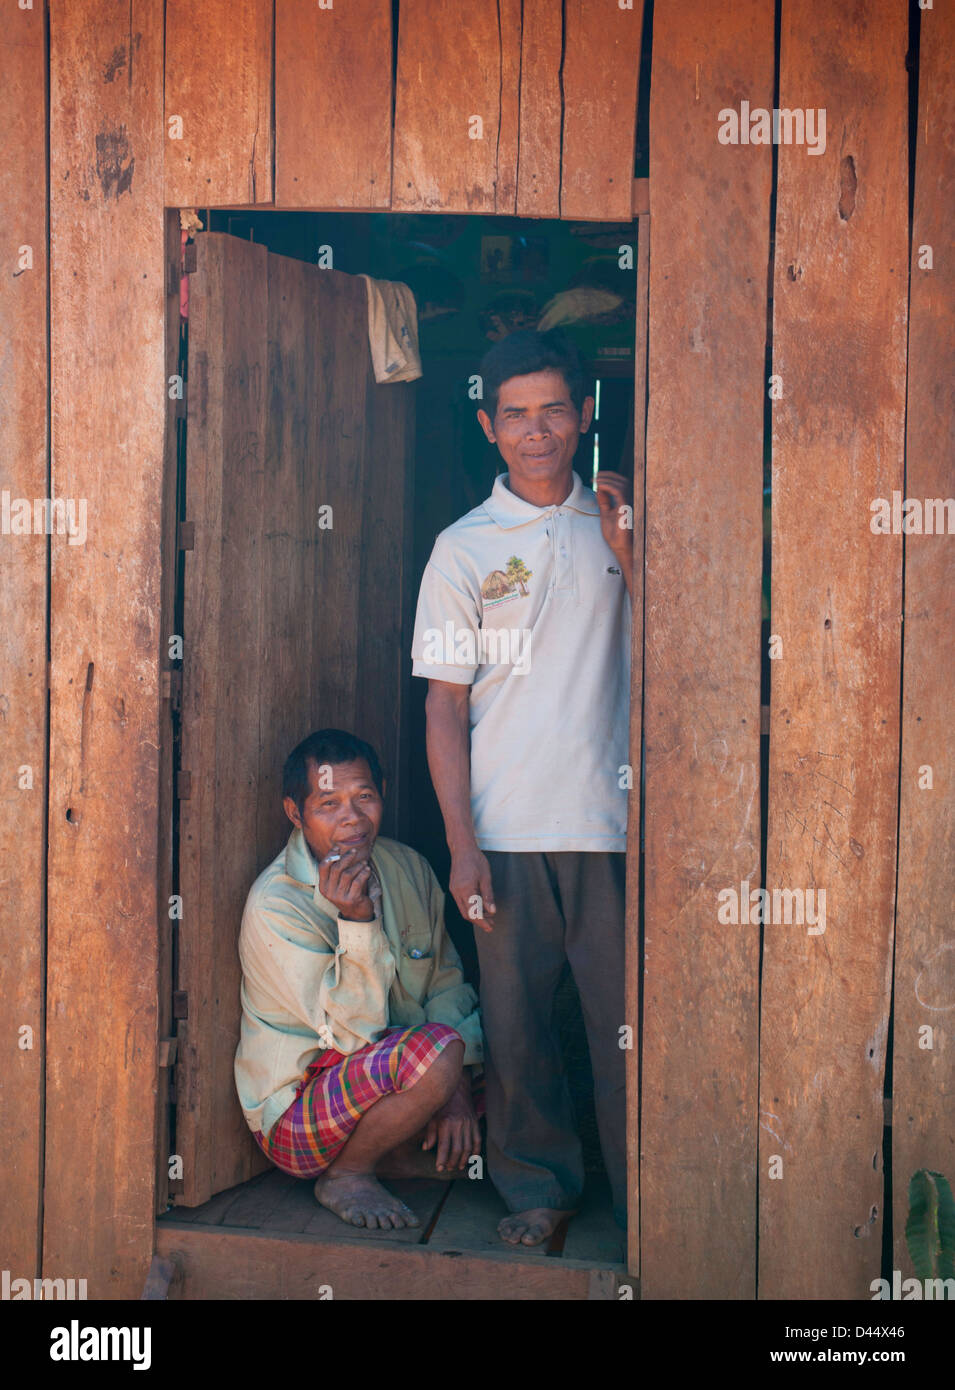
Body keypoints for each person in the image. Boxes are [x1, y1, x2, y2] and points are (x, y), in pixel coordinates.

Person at [411, 328, 633, 1246]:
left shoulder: (619, 524)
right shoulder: (463, 549)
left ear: (583, 417)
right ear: (487, 426)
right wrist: (461, 843)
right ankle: (537, 1192)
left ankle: (646, 1197)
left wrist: (629, 539)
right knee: (519, 1029)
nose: (535, 430)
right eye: (515, 414)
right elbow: (443, 707)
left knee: (629, 1032)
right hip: (503, 827)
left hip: (617, 826)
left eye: (552, 410)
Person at [234, 728, 483, 1232]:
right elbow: (353, 1034)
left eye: (363, 797)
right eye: (328, 803)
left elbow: (446, 983)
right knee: (438, 1053)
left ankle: (392, 1151)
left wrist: (455, 1087)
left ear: (383, 793)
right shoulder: (277, 904)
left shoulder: (408, 867)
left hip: (398, 1077)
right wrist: (358, 921)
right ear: (294, 812)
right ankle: (345, 1173)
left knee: (508, 1087)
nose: (351, 817)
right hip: (298, 1110)